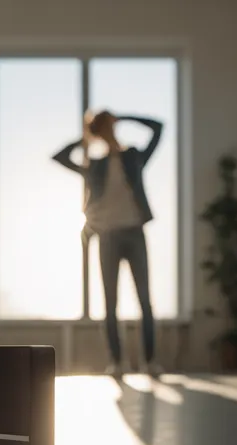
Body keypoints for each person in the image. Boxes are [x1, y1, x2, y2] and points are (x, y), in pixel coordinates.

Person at [53, 110, 164, 378]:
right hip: (107, 236)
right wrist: (86, 139)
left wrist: (124, 117)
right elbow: (60, 158)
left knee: (145, 300)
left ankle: (149, 361)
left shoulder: (133, 157)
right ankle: (116, 361)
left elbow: (158, 128)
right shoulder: (95, 166)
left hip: (135, 233)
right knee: (110, 302)